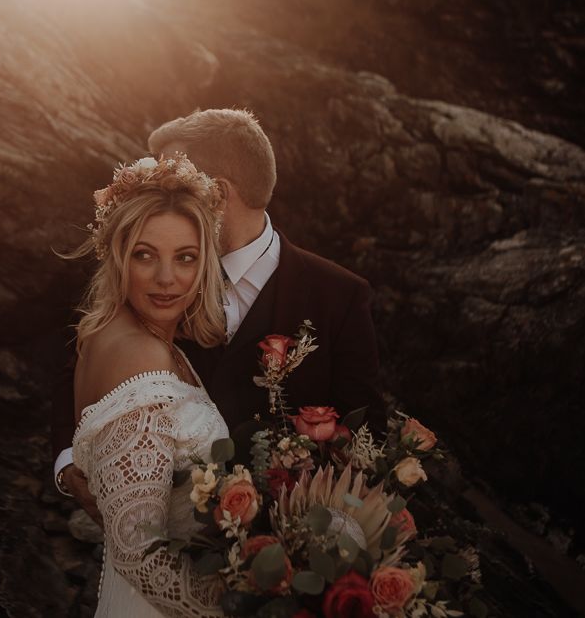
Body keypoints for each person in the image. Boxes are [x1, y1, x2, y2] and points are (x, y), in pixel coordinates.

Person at [54, 109, 383, 523]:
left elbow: (367, 433)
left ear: (220, 193)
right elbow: (89, 359)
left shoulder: (340, 296)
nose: (165, 192)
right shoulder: (158, 275)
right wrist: (68, 462)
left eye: (178, 176)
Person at [70, 155, 227, 616]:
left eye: (185, 257)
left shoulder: (115, 338)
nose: (166, 278)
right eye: (145, 255)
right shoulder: (139, 354)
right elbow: (137, 553)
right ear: (118, 255)